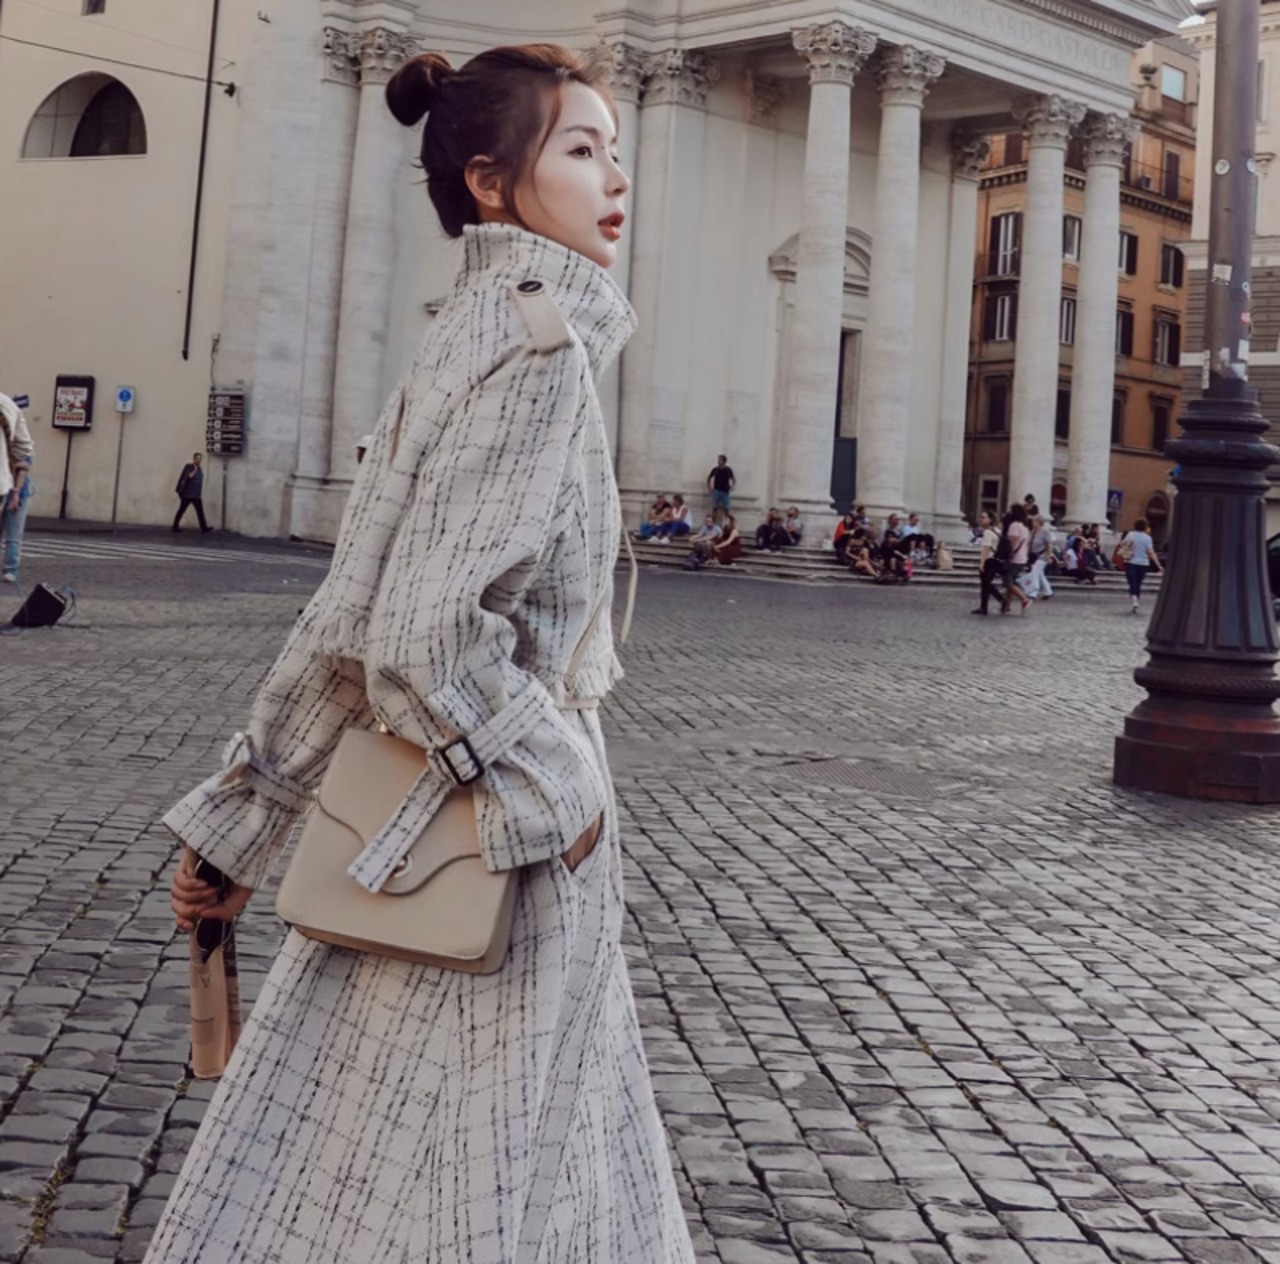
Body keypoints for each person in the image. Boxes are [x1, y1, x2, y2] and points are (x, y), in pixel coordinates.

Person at [154, 43, 695, 1264]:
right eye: (580, 149)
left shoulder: (467, 334)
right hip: (505, 825)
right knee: (509, 1156)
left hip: (429, 819)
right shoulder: (540, 354)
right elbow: (416, 637)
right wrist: (557, 790)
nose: (615, 179)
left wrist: (243, 818)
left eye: (614, 152)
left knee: (377, 1149)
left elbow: (346, 616)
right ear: (491, 182)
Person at [0, 393, 35, 585]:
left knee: (13, 533)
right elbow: (24, 453)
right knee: (13, 534)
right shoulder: (9, 407)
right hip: (6, 485)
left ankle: (11, 569)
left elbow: (23, 466)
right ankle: (10, 570)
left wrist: (16, 493)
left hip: (16, 489)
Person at [1119, 516, 1162, 613]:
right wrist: (1159, 565)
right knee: (1138, 583)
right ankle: (1136, 600)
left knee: (1132, 582)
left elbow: (1123, 545)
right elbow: (1151, 552)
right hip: (1144, 564)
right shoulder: (1148, 538)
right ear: (1145, 526)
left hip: (1131, 562)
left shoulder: (1131, 535)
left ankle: (1134, 600)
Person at [1000, 503, 1031, 614]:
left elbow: (1012, 542)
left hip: (1016, 558)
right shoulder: (1024, 527)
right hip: (1022, 557)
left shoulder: (1014, 526)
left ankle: (1024, 598)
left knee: (1007, 581)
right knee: (1011, 580)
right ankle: (1007, 605)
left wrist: (1010, 554)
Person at [970, 510, 1003, 615]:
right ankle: (986, 605)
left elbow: (986, 549)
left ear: (990, 519)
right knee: (986, 584)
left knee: (985, 584)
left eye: (983, 517)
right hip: (996, 560)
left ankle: (998, 601)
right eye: (981, 517)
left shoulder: (987, 532)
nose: (981, 519)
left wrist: (982, 563)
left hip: (989, 560)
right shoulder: (997, 530)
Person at [173, 453, 212, 534]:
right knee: (181, 510)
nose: (199, 460)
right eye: (197, 458)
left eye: (200, 459)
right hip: (187, 495)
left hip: (196, 495)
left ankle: (204, 528)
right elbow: (189, 476)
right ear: (194, 459)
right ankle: (175, 526)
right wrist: (195, 469)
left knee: (200, 511)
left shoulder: (199, 469)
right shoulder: (190, 467)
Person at [1022, 514, 1054, 601]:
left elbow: (1049, 544)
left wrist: (1049, 556)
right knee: (1040, 574)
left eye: (1034, 521)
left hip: (1042, 556)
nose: (1032, 523)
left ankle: (1033, 593)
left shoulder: (1045, 532)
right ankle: (1048, 591)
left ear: (1039, 522)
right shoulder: (1033, 531)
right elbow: (1029, 543)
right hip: (1034, 556)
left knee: (1034, 572)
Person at [706, 454, 735, 523]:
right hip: (716, 491)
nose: (718, 461)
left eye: (720, 460)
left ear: (724, 461)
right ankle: (712, 523)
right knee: (714, 508)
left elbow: (733, 478)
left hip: (725, 492)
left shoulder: (728, 470)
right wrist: (709, 487)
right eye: (718, 460)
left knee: (726, 509)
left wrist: (732, 486)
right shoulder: (715, 470)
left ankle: (728, 524)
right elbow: (709, 478)